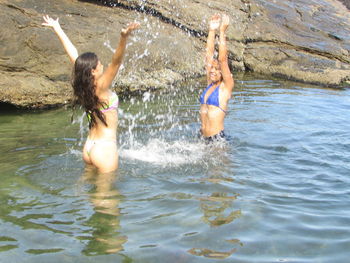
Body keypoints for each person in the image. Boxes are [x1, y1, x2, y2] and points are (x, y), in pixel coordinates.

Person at [42, 15, 140, 173]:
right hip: (104, 150)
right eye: (99, 63)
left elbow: (73, 54)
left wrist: (57, 28)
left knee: (86, 195)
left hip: (89, 147)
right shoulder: (101, 86)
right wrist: (123, 37)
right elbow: (116, 62)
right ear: (93, 71)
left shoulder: (84, 87)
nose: (102, 64)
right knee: (107, 197)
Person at [199, 14, 234, 142]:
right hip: (202, 138)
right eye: (212, 68)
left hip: (217, 141)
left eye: (217, 69)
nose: (212, 71)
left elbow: (222, 60)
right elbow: (209, 55)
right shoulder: (210, 83)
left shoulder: (226, 87)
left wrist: (222, 31)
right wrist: (212, 30)